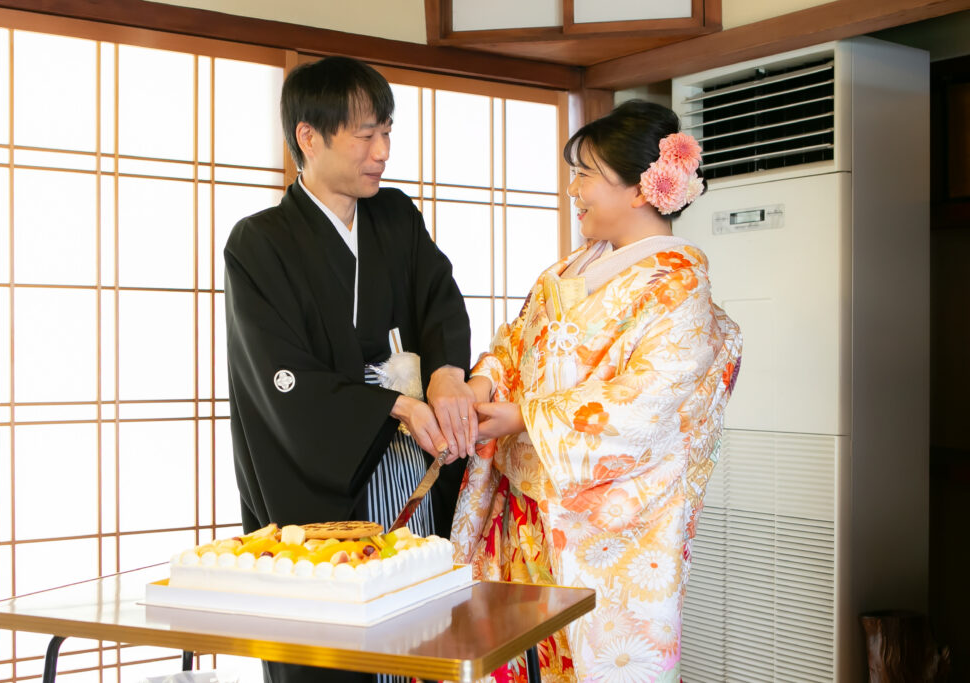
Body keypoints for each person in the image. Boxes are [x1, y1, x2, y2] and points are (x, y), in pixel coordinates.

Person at [451, 100, 743, 682]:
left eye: (585, 174)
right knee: (513, 654)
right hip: (523, 505)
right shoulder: (565, 273)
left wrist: (526, 419)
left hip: (599, 518)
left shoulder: (677, 284)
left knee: (585, 658)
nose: (572, 189)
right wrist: (483, 380)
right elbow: (515, 344)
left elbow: (649, 402)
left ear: (640, 189)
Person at [224, 56, 477, 683]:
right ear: (308, 136)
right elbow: (279, 375)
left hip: (413, 461)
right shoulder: (258, 242)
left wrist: (446, 374)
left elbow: (439, 299)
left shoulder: (394, 215)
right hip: (329, 461)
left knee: (418, 626)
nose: (382, 150)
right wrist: (395, 406)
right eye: (365, 134)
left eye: (386, 131)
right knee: (338, 648)